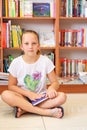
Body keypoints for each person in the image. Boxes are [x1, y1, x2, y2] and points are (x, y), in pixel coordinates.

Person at [1, 30, 67, 118]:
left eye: (34, 43)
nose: (30, 47)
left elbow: (55, 82)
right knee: (5, 94)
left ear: (38, 46)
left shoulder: (46, 61)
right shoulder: (16, 63)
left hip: (41, 97)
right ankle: (45, 112)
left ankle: (24, 109)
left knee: (62, 96)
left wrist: (51, 88)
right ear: (22, 47)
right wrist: (29, 94)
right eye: (26, 43)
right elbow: (11, 86)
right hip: (23, 97)